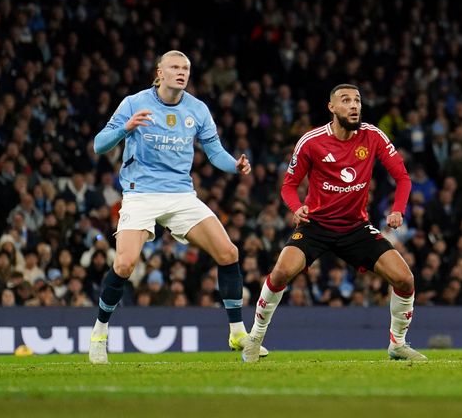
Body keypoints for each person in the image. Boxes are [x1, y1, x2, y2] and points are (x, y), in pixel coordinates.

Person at [89, 50, 253, 364]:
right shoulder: (134, 103)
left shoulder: (198, 109)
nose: (181, 72)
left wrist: (235, 165)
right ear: (159, 72)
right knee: (124, 265)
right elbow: (99, 145)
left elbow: (214, 151)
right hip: (141, 194)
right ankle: (99, 333)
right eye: (174, 67)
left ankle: (237, 332)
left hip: (180, 196)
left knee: (228, 252)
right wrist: (126, 128)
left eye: (186, 68)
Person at [241, 84, 425, 362]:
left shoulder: (372, 136)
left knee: (405, 278)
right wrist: (296, 207)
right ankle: (254, 338)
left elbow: (403, 178)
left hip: (355, 227)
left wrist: (398, 209)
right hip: (316, 226)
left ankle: (397, 344)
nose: (354, 105)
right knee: (280, 273)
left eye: (357, 100)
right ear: (332, 108)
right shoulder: (311, 141)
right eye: (346, 100)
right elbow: (288, 186)